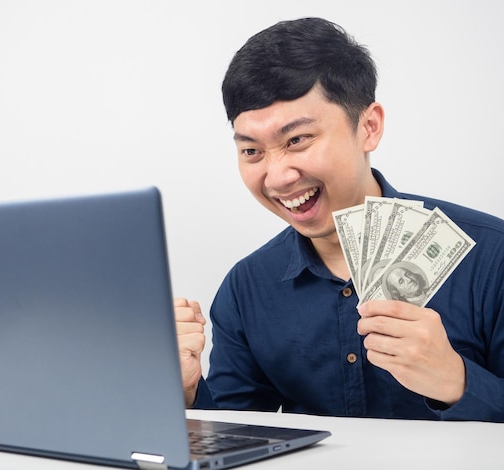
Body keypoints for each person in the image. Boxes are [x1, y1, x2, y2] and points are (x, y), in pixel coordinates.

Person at [175, 17, 504, 422]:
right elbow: (237, 438)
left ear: (369, 127)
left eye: (297, 140)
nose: (277, 177)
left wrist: (458, 381)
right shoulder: (246, 289)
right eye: (252, 151)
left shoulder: (493, 257)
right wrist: (187, 391)